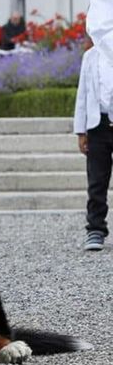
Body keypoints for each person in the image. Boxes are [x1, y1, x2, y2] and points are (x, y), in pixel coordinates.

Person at [74, 37, 111, 251]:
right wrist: (81, 130)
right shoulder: (91, 57)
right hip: (98, 126)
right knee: (97, 181)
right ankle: (95, 228)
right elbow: (83, 95)